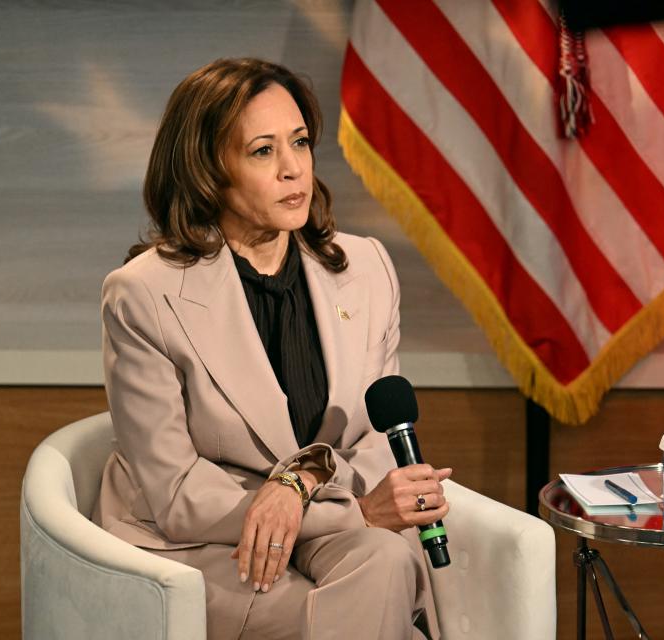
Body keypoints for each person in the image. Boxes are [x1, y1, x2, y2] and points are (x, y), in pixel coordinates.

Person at [92, 57, 451, 639]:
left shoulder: (366, 268)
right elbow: (175, 493)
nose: (293, 170)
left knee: (384, 563)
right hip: (205, 547)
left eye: (301, 143)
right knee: (380, 597)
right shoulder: (143, 295)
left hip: (330, 528)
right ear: (209, 169)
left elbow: (372, 442)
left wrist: (300, 487)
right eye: (263, 151)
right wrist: (353, 512)